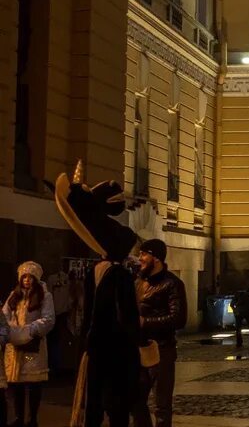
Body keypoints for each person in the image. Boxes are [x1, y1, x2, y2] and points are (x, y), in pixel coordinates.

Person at [50, 167, 140, 427]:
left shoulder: (96, 270)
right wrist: (141, 344)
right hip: (116, 353)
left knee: (95, 405)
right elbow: (126, 317)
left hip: (94, 349)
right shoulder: (118, 275)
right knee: (116, 408)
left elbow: (92, 315)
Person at [134, 239, 187, 427]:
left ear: (155, 257)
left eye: (143, 254)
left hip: (161, 350)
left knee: (161, 405)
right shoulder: (139, 281)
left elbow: (178, 319)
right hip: (140, 348)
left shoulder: (172, 284)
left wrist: (145, 323)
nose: (139, 258)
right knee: (135, 400)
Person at [3, 261, 55, 427]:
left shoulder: (44, 296)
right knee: (16, 382)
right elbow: (5, 315)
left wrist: (31, 330)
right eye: (24, 277)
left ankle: (32, 418)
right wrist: (11, 331)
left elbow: (48, 319)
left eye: (30, 277)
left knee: (33, 383)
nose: (26, 280)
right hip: (15, 345)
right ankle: (19, 417)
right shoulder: (14, 295)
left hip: (33, 345)